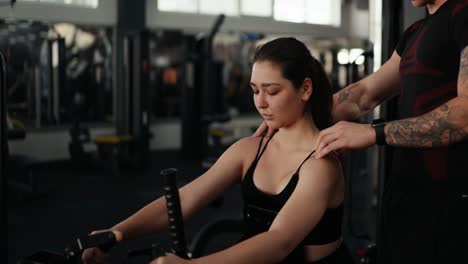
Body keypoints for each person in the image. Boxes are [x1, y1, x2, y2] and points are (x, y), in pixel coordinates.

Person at [82, 37, 354, 264]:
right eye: (255, 90)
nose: (260, 102)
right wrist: (117, 232)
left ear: (305, 89)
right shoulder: (250, 150)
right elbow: (184, 201)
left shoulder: (321, 163)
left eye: (272, 91)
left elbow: (279, 242)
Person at [256, 1, 468, 263]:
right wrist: (293, 115)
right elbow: (364, 95)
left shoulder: (463, 15)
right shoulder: (415, 32)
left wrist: (373, 133)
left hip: (452, 202)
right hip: (406, 193)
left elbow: (464, 116)